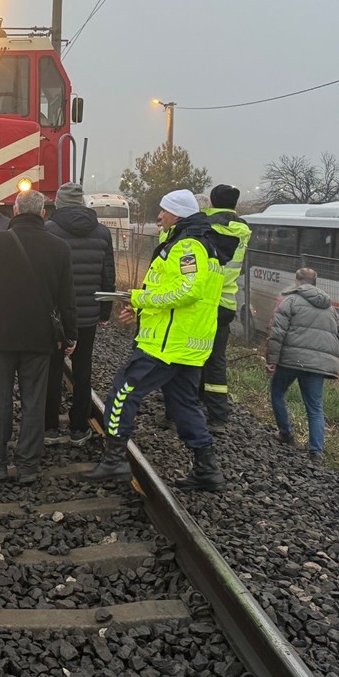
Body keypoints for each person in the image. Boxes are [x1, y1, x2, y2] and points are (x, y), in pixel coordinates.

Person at [85, 190, 228, 491]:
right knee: (184, 405)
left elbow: (188, 290)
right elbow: (181, 296)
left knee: (122, 393)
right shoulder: (207, 246)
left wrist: (139, 298)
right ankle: (207, 469)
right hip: (187, 345)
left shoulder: (187, 246)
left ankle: (114, 459)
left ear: (177, 214)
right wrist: (141, 309)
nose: (159, 217)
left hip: (167, 345)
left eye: (163, 211)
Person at [0, 189, 77, 484]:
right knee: (35, 401)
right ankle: (28, 465)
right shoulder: (59, 248)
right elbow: (66, 298)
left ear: (17, 211)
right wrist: (70, 335)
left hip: (1, 334)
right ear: (43, 213)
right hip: (40, 337)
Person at [42, 182, 116, 445]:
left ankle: (49, 427)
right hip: (87, 314)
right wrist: (105, 311)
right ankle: (78, 427)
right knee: (83, 370)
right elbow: (108, 274)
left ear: (58, 203)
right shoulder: (102, 232)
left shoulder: (49, 230)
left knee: (52, 369)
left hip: (56, 317)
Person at [266, 267, 339, 463]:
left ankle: (286, 433)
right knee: (315, 407)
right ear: (315, 282)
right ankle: (316, 452)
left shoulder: (290, 300)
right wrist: (327, 354)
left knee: (277, 391)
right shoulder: (329, 308)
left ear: (296, 281)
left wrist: (272, 360)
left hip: (290, 361)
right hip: (317, 366)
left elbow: (277, 333)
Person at [199, 184, 251, 430]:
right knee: (216, 360)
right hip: (227, 303)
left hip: (203, 301)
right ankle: (218, 415)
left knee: (193, 355)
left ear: (211, 201)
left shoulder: (203, 226)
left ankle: (191, 403)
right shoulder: (242, 231)